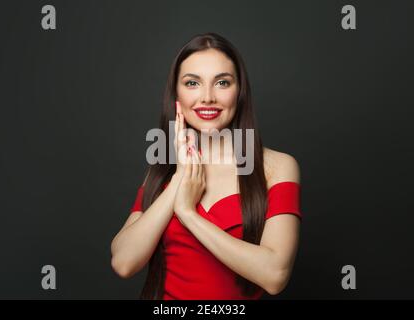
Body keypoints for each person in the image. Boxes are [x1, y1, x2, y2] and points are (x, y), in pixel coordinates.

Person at [111, 32, 302, 300]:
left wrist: (188, 214)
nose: (208, 97)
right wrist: (180, 177)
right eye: (192, 83)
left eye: (222, 82)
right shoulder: (164, 169)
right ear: (176, 94)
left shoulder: (276, 167)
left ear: (240, 91)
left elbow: (274, 275)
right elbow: (123, 262)